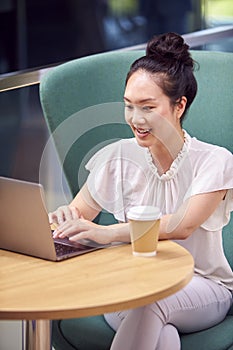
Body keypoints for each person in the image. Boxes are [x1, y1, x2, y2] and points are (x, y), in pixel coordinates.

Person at [50, 32, 233, 349]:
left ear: (179, 105)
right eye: (129, 106)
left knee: (152, 302)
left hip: (202, 285)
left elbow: (181, 225)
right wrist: (67, 219)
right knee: (163, 337)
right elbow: (79, 214)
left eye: (148, 107)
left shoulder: (214, 161)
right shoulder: (118, 156)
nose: (136, 119)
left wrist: (106, 234)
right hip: (128, 285)